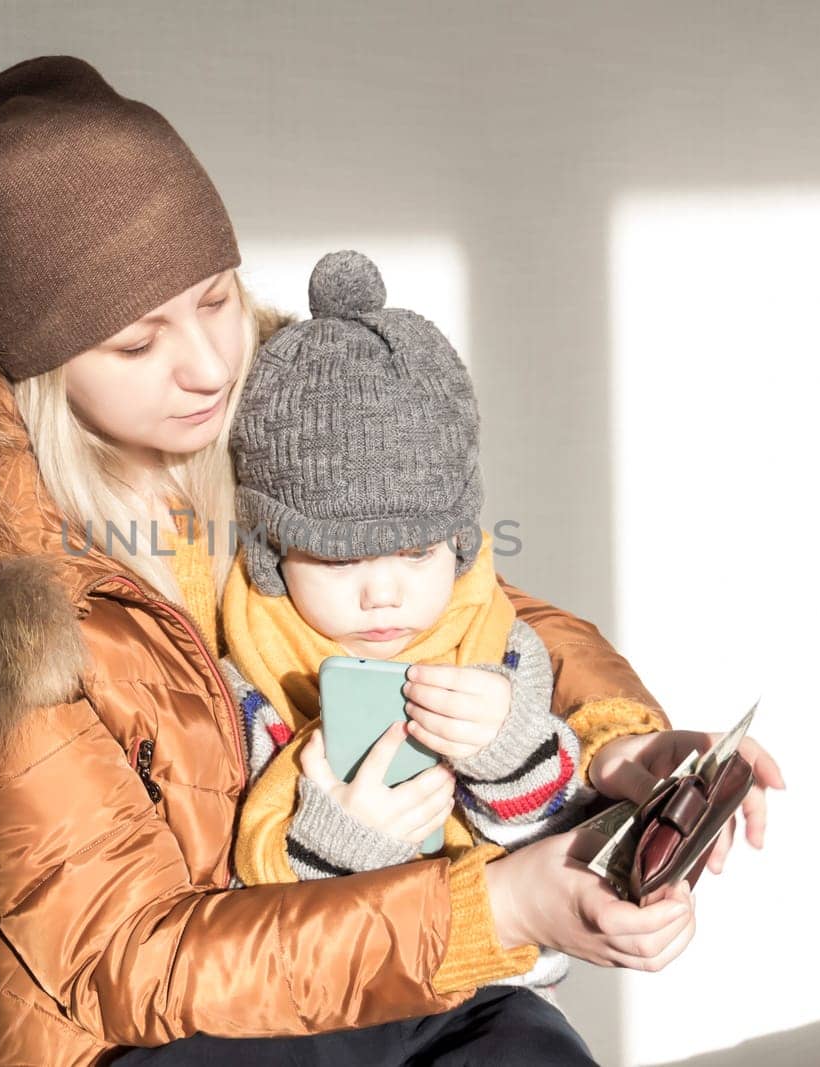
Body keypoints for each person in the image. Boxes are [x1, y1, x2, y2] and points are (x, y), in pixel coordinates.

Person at [0, 55, 784, 1067]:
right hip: (123, 1035)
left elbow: (474, 602)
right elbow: (131, 963)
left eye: (216, 298)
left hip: (354, 951)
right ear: (39, 361)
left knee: (525, 1045)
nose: (210, 364)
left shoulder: (267, 426)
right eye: (138, 343)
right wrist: (499, 900)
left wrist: (622, 745)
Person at [214, 249, 595, 1009]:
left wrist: (511, 747)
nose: (383, 593)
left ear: (456, 542)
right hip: (320, 997)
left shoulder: (498, 646)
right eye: (337, 558)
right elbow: (235, 914)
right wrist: (339, 841)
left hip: (486, 990)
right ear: (269, 555)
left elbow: (556, 847)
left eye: (417, 550)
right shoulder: (246, 684)